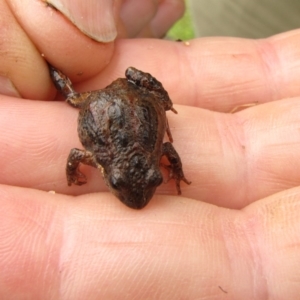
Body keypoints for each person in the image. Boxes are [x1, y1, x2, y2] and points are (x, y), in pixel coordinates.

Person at [1, 0, 300, 298]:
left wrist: (164, 113)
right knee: (72, 97)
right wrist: (72, 174)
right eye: (119, 184)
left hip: (132, 96)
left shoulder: (130, 157)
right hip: (103, 102)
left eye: (154, 180)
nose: (141, 196)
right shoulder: (99, 158)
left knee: (75, 97)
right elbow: (75, 156)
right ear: (108, 171)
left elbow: (164, 148)